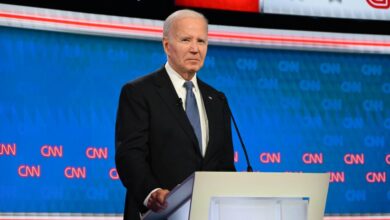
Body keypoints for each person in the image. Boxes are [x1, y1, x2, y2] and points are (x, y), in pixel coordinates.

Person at [115, 9, 236, 220]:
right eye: (186, 40)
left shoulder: (217, 99)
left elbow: (224, 166)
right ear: (166, 45)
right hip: (158, 215)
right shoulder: (139, 92)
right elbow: (129, 156)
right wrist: (152, 193)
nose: (195, 49)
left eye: (201, 41)